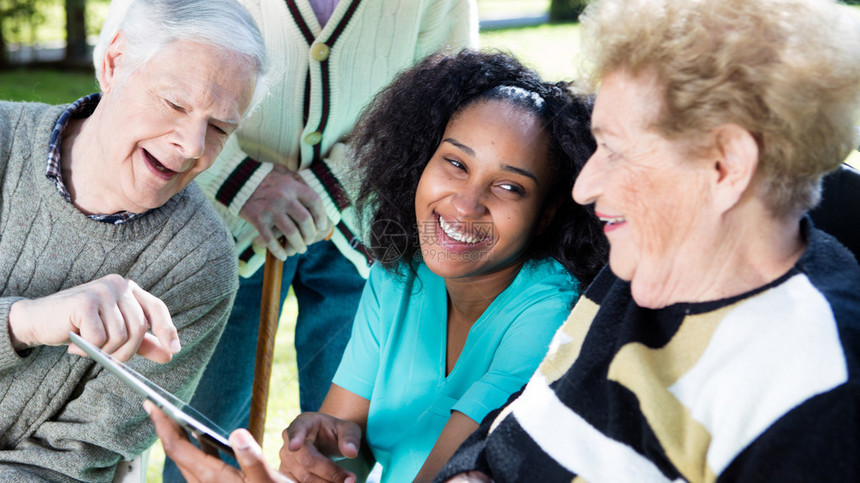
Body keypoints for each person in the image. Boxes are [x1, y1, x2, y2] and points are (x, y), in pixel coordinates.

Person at [434, 0, 860, 481]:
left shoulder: (814, 393)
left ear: (726, 167)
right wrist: (469, 472)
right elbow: (533, 412)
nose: (584, 187)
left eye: (615, 151)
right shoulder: (641, 261)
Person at [145, 49, 609, 483]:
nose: (466, 204)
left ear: (548, 213)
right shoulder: (400, 276)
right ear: (420, 161)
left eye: (509, 188)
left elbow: (448, 474)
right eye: (455, 163)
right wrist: (324, 449)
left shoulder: (553, 314)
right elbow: (350, 437)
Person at [0, 0, 266, 480]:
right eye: (175, 103)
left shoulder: (198, 262)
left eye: (220, 128)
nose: (191, 146)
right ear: (114, 61)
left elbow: (70, 462)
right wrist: (26, 322)